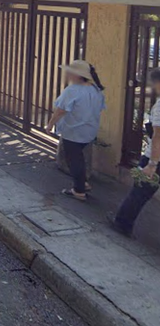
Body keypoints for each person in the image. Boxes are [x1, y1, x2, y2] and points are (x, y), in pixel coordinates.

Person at [45, 60, 106, 202]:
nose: (67, 74)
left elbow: (60, 110)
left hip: (73, 131)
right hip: (89, 130)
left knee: (74, 160)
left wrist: (50, 125)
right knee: (79, 157)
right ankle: (82, 183)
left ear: (78, 75)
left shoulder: (72, 90)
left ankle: (79, 190)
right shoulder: (95, 89)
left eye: (70, 72)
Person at [111, 68, 160, 236]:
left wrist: (152, 164)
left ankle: (122, 223)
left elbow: (158, 137)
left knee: (139, 193)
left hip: (155, 159)